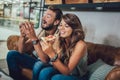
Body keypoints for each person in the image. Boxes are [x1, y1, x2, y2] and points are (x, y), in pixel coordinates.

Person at [6, 6, 63, 80]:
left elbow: (45, 60)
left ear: (56, 22)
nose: (43, 18)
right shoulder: (41, 30)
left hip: (49, 65)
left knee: (39, 64)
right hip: (37, 60)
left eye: (48, 16)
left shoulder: (59, 37)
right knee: (12, 54)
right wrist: (22, 35)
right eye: (44, 15)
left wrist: (34, 38)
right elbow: (21, 50)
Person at [32, 13, 88, 80]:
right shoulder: (60, 40)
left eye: (66, 26)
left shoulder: (80, 45)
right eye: (60, 25)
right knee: (44, 72)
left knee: (56, 78)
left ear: (74, 29)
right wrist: (54, 47)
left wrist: (51, 53)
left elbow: (67, 72)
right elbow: (56, 66)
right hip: (63, 70)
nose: (61, 28)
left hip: (79, 76)